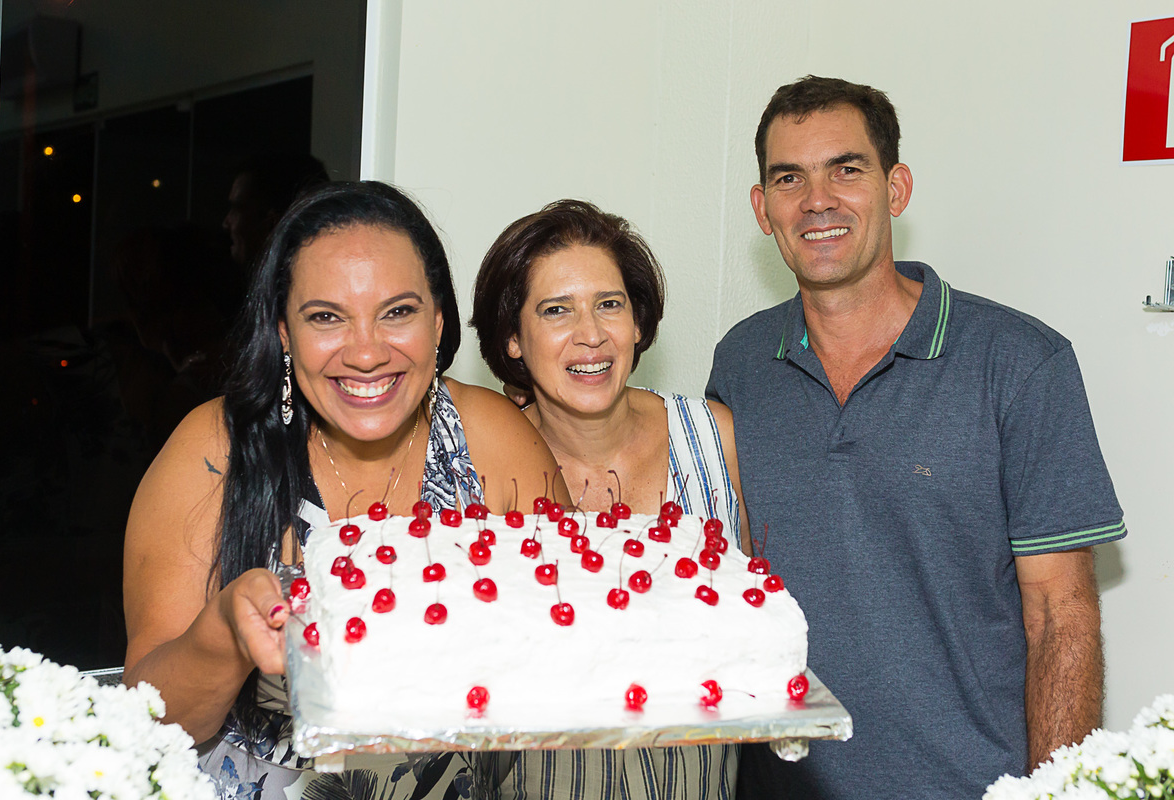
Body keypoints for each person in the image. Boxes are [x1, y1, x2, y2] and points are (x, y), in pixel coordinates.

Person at [706, 75, 1127, 799]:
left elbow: (1062, 617)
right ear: (762, 207)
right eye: (789, 178)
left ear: (895, 188)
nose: (817, 201)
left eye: (847, 169)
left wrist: (1060, 792)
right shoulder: (740, 363)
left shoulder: (1022, 363)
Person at [123, 181, 566, 800]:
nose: (365, 352)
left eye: (398, 312)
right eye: (326, 317)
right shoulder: (215, 451)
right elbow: (145, 722)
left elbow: (569, 658)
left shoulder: (493, 439)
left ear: (438, 321)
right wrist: (223, 635)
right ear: (283, 331)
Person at [471, 198, 748, 799]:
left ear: (639, 322)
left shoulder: (714, 437)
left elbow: (757, 627)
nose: (590, 334)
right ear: (513, 338)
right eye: (555, 310)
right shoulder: (484, 470)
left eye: (609, 304)